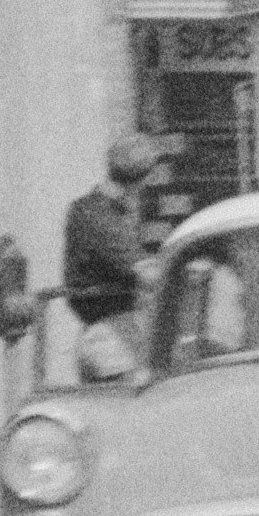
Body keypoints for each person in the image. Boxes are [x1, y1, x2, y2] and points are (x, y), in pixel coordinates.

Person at [61, 131, 174, 379]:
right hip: (112, 339)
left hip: (101, 334)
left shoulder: (85, 209)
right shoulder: (103, 218)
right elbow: (147, 274)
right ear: (138, 182)